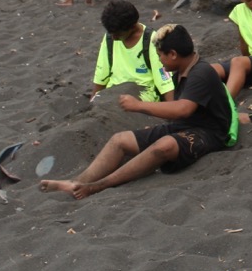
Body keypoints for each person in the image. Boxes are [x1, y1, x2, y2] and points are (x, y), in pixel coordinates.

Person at [40, 24, 234, 199]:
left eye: (160, 55)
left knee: (164, 145)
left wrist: (139, 105)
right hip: (185, 127)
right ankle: (77, 182)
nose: (160, 60)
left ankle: (98, 186)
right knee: (119, 140)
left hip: (210, 134)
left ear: (173, 54)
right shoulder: (183, 70)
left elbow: (182, 109)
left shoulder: (201, 72)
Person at [88, 0, 175, 103]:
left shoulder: (152, 41)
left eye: (118, 34)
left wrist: (172, 111)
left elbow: (165, 82)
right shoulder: (109, 38)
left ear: (133, 27)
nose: (114, 37)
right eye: (111, 33)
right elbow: (101, 75)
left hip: (143, 93)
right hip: (113, 90)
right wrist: (93, 100)